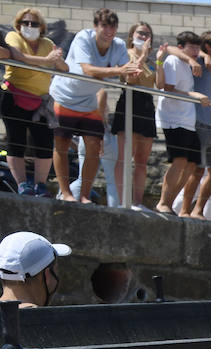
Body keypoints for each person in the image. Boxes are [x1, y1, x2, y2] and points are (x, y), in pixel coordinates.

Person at [48, 7, 137, 203]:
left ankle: (84, 195)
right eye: (104, 26)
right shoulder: (83, 38)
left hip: (89, 101)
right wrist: (120, 70)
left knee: (94, 146)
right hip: (64, 96)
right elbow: (87, 69)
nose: (108, 31)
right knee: (62, 144)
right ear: (95, 26)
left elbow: (127, 74)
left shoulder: (119, 45)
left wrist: (133, 69)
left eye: (112, 26)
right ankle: (66, 193)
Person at [4, 7, 67, 196]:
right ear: (18, 25)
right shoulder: (13, 38)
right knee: (16, 141)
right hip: (14, 96)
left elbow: (63, 67)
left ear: (41, 27)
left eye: (34, 23)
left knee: (45, 143)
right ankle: (22, 184)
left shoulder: (48, 43)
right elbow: (18, 57)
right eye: (26, 23)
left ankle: (40, 185)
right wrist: (46, 60)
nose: (29, 26)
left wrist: (57, 59)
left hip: (40, 101)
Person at [153, 32, 208, 216]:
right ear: (182, 47)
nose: (195, 52)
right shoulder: (173, 61)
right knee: (179, 161)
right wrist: (194, 95)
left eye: (197, 47)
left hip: (188, 121)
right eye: (191, 47)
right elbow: (168, 89)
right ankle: (163, 202)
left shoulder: (187, 63)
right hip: (173, 119)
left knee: (192, 164)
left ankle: (169, 201)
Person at [109, 21, 155, 208]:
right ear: (132, 35)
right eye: (140, 33)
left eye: (147, 34)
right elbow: (132, 75)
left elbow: (157, 84)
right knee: (125, 156)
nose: (143, 37)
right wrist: (142, 55)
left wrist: (156, 60)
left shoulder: (150, 62)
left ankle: (138, 201)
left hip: (146, 103)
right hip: (129, 100)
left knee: (142, 159)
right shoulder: (126, 54)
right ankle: (122, 200)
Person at [181, 30, 211, 220]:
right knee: (197, 170)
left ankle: (198, 210)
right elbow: (173, 51)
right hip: (197, 122)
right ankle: (185, 210)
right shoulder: (199, 61)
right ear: (207, 47)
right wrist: (200, 56)